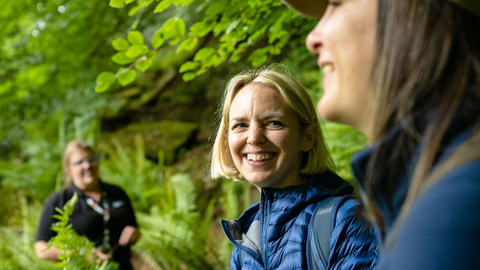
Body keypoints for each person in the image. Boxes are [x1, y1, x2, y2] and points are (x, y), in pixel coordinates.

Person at [282, 0, 480, 269]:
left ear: (413, 12)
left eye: (336, 4)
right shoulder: (429, 195)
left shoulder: (454, 212)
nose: (311, 39)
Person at [211, 67, 377, 269]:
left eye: (273, 123)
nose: (254, 137)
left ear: (308, 137)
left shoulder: (346, 221)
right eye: (240, 125)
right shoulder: (246, 241)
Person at [35, 140, 140, 270]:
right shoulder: (59, 201)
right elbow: (41, 249)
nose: (88, 165)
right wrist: (82, 253)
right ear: (68, 169)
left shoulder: (117, 193)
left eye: (92, 159)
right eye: (80, 162)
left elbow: (134, 227)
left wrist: (133, 232)